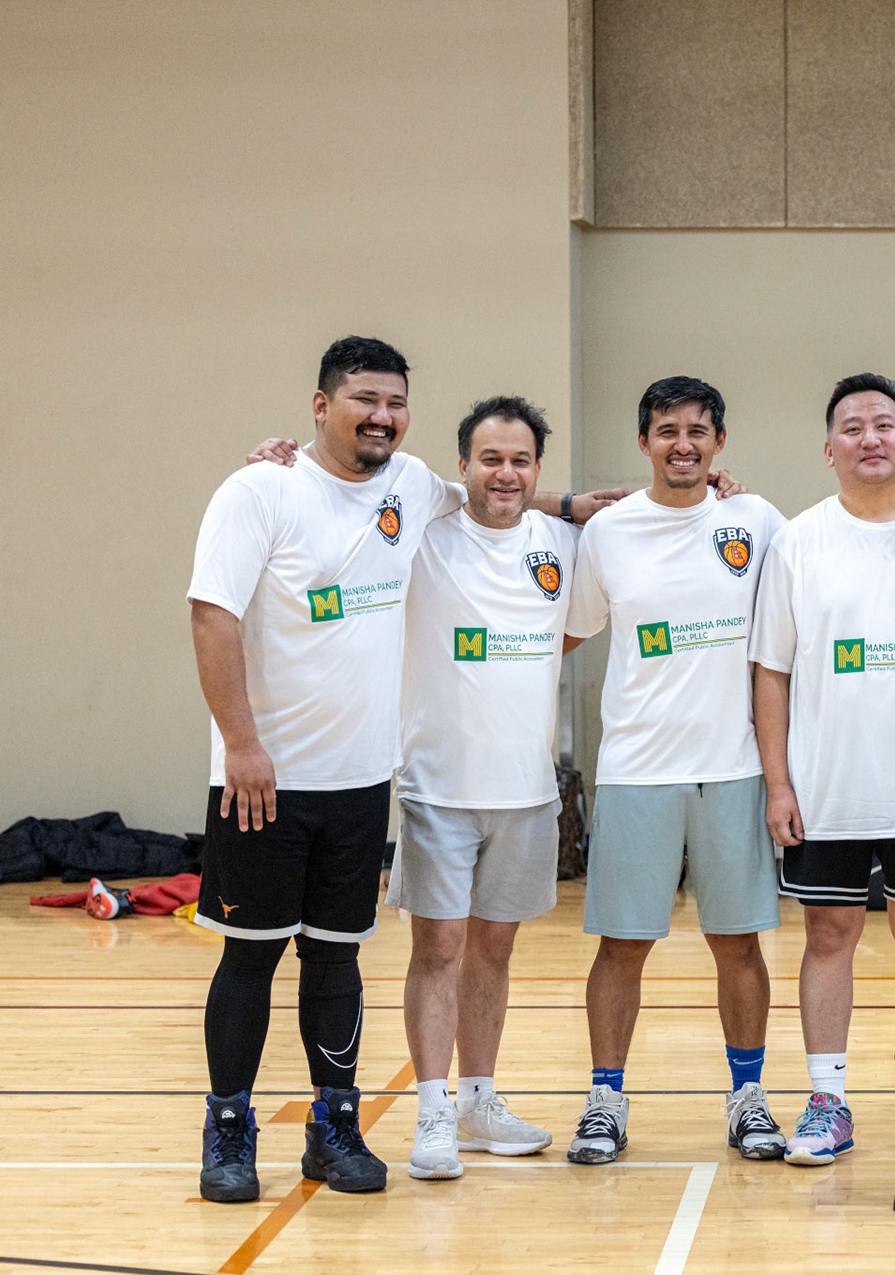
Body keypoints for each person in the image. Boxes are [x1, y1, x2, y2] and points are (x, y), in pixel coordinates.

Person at [189, 338, 622, 1203]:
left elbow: (493, 494)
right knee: (250, 959)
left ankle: (334, 1126)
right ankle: (228, 1128)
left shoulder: (411, 486)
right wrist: (240, 741)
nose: (381, 416)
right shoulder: (260, 490)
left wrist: (574, 502)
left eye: (394, 403)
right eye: (364, 399)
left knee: (335, 962)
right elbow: (212, 616)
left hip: (360, 780)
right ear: (321, 405)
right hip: (262, 776)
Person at [748, 373, 895, 1167]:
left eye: (884, 424)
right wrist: (778, 782)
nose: (870, 437)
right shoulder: (796, 541)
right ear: (829, 450)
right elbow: (771, 672)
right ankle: (829, 1102)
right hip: (826, 788)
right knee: (829, 934)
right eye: (852, 427)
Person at [563, 377, 793, 1166]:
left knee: (738, 944)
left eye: (698, 430)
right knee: (622, 945)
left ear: (719, 442)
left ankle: (749, 1098)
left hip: (734, 767)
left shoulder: (755, 520)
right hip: (637, 768)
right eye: (667, 430)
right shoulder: (609, 532)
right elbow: (566, 630)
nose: (683, 444)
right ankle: (605, 1102)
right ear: (644, 442)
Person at [389, 397, 578, 1179]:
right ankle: (432, 1110)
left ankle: (477, 1100)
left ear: (537, 469)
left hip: (526, 791)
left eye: (520, 460)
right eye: (490, 459)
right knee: (438, 947)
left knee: (494, 950)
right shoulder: (423, 535)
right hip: (438, 786)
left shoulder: (562, 544)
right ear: (461, 464)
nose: (506, 473)